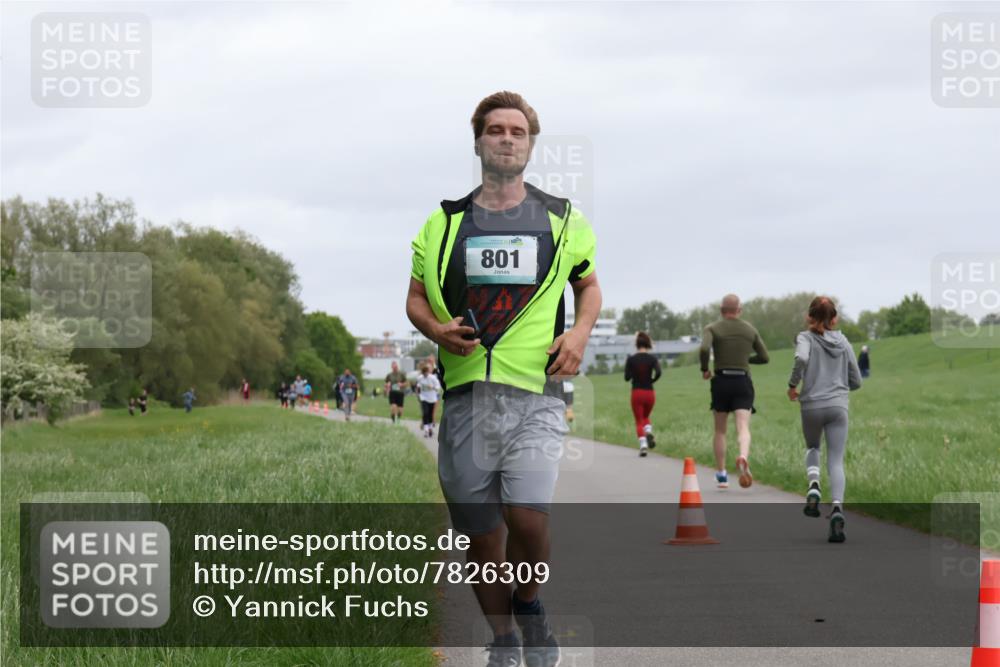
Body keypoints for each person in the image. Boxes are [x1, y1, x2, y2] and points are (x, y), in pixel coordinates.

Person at [406, 91, 601, 667]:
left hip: (536, 393)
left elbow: (587, 286)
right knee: (482, 536)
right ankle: (505, 641)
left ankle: (531, 603)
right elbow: (416, 298)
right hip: (466, 397)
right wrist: (436, 330)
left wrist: (581, 333)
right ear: (479, 141)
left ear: (531, 143)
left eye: (518, 130)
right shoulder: (443, 223)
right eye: (496, 130)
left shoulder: (563, 218)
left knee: (528, 516)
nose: (507, 138)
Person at [788, 296, 863, 543]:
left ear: (809, 316)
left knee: (812, 446)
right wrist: (842, 387)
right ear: (835, 318)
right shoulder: (843, 342)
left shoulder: (805, 338)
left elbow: (801, 358)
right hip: (838, 408)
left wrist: (793, 384)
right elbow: (857, 380)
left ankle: (813, 485)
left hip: (811, 405)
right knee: (836, 461)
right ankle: (838, 509)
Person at [699, 294, 770, 489]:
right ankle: (743, 455)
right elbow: (765, 357)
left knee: (720, 430)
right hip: (742, 381)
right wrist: (747, 360)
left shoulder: (712, 328)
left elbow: (704, 348)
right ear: (739, 310)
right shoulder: (750, 330)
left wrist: (705, 369)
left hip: (721, 381)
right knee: (743, 426)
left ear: (722, 310)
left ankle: (722, 475)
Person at [625, 331, 662, 457]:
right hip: (650, 393)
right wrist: (651, 380)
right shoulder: (652, 359)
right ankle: (648, 431)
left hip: (637, 393)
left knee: (639, 420)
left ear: (636, 344)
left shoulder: (631, 359)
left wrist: (632, 373)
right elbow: (658, 372)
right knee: (646, 416)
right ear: (648, 344)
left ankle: (643, 445)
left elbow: (626, 377)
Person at [415, 363, 442, 438]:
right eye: (424, 373)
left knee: (430, 414)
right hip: (423, 398)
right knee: (425, 413)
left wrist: (432, 387)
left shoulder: (433, 378)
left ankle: (430, 428)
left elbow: (438, 388)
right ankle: (426, 430)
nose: (425, 374)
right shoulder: (420, 378)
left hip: (432, 398)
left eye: (426, 372)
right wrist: (418, 394)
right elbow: (418, 387)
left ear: (428, 372)